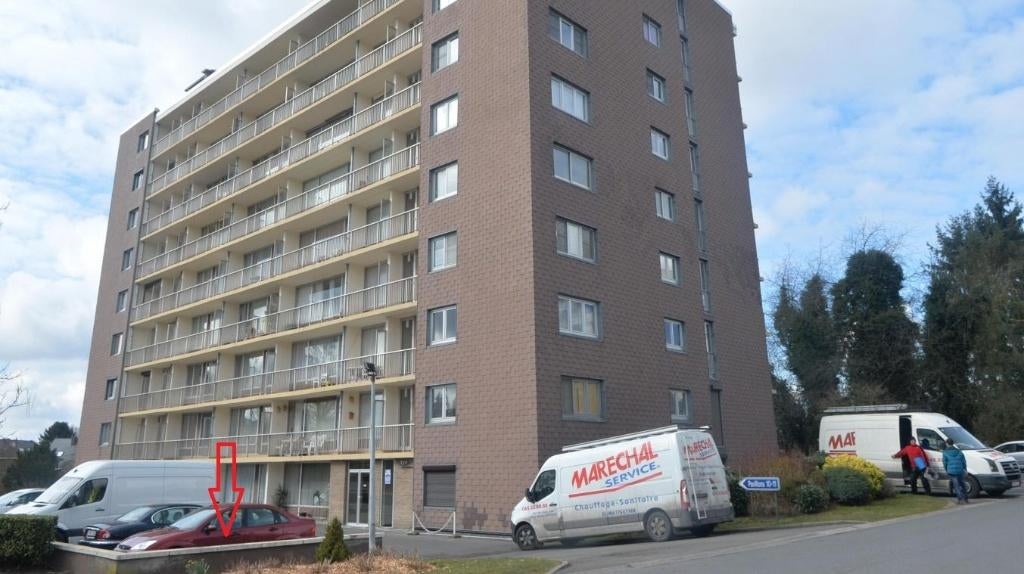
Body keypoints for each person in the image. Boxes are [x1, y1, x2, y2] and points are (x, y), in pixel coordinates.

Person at [943, 437, 969, 504]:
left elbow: (945, 462)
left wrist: (946, 469)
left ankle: (960, 499)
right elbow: (963, 461)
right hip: (960, 470)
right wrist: (965, 469)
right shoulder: (959, 451)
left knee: (956, 486)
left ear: (947, 444)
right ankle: (966, 498)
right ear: (953, 443)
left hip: (951, 471)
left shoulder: (945, 452)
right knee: (962, 484)